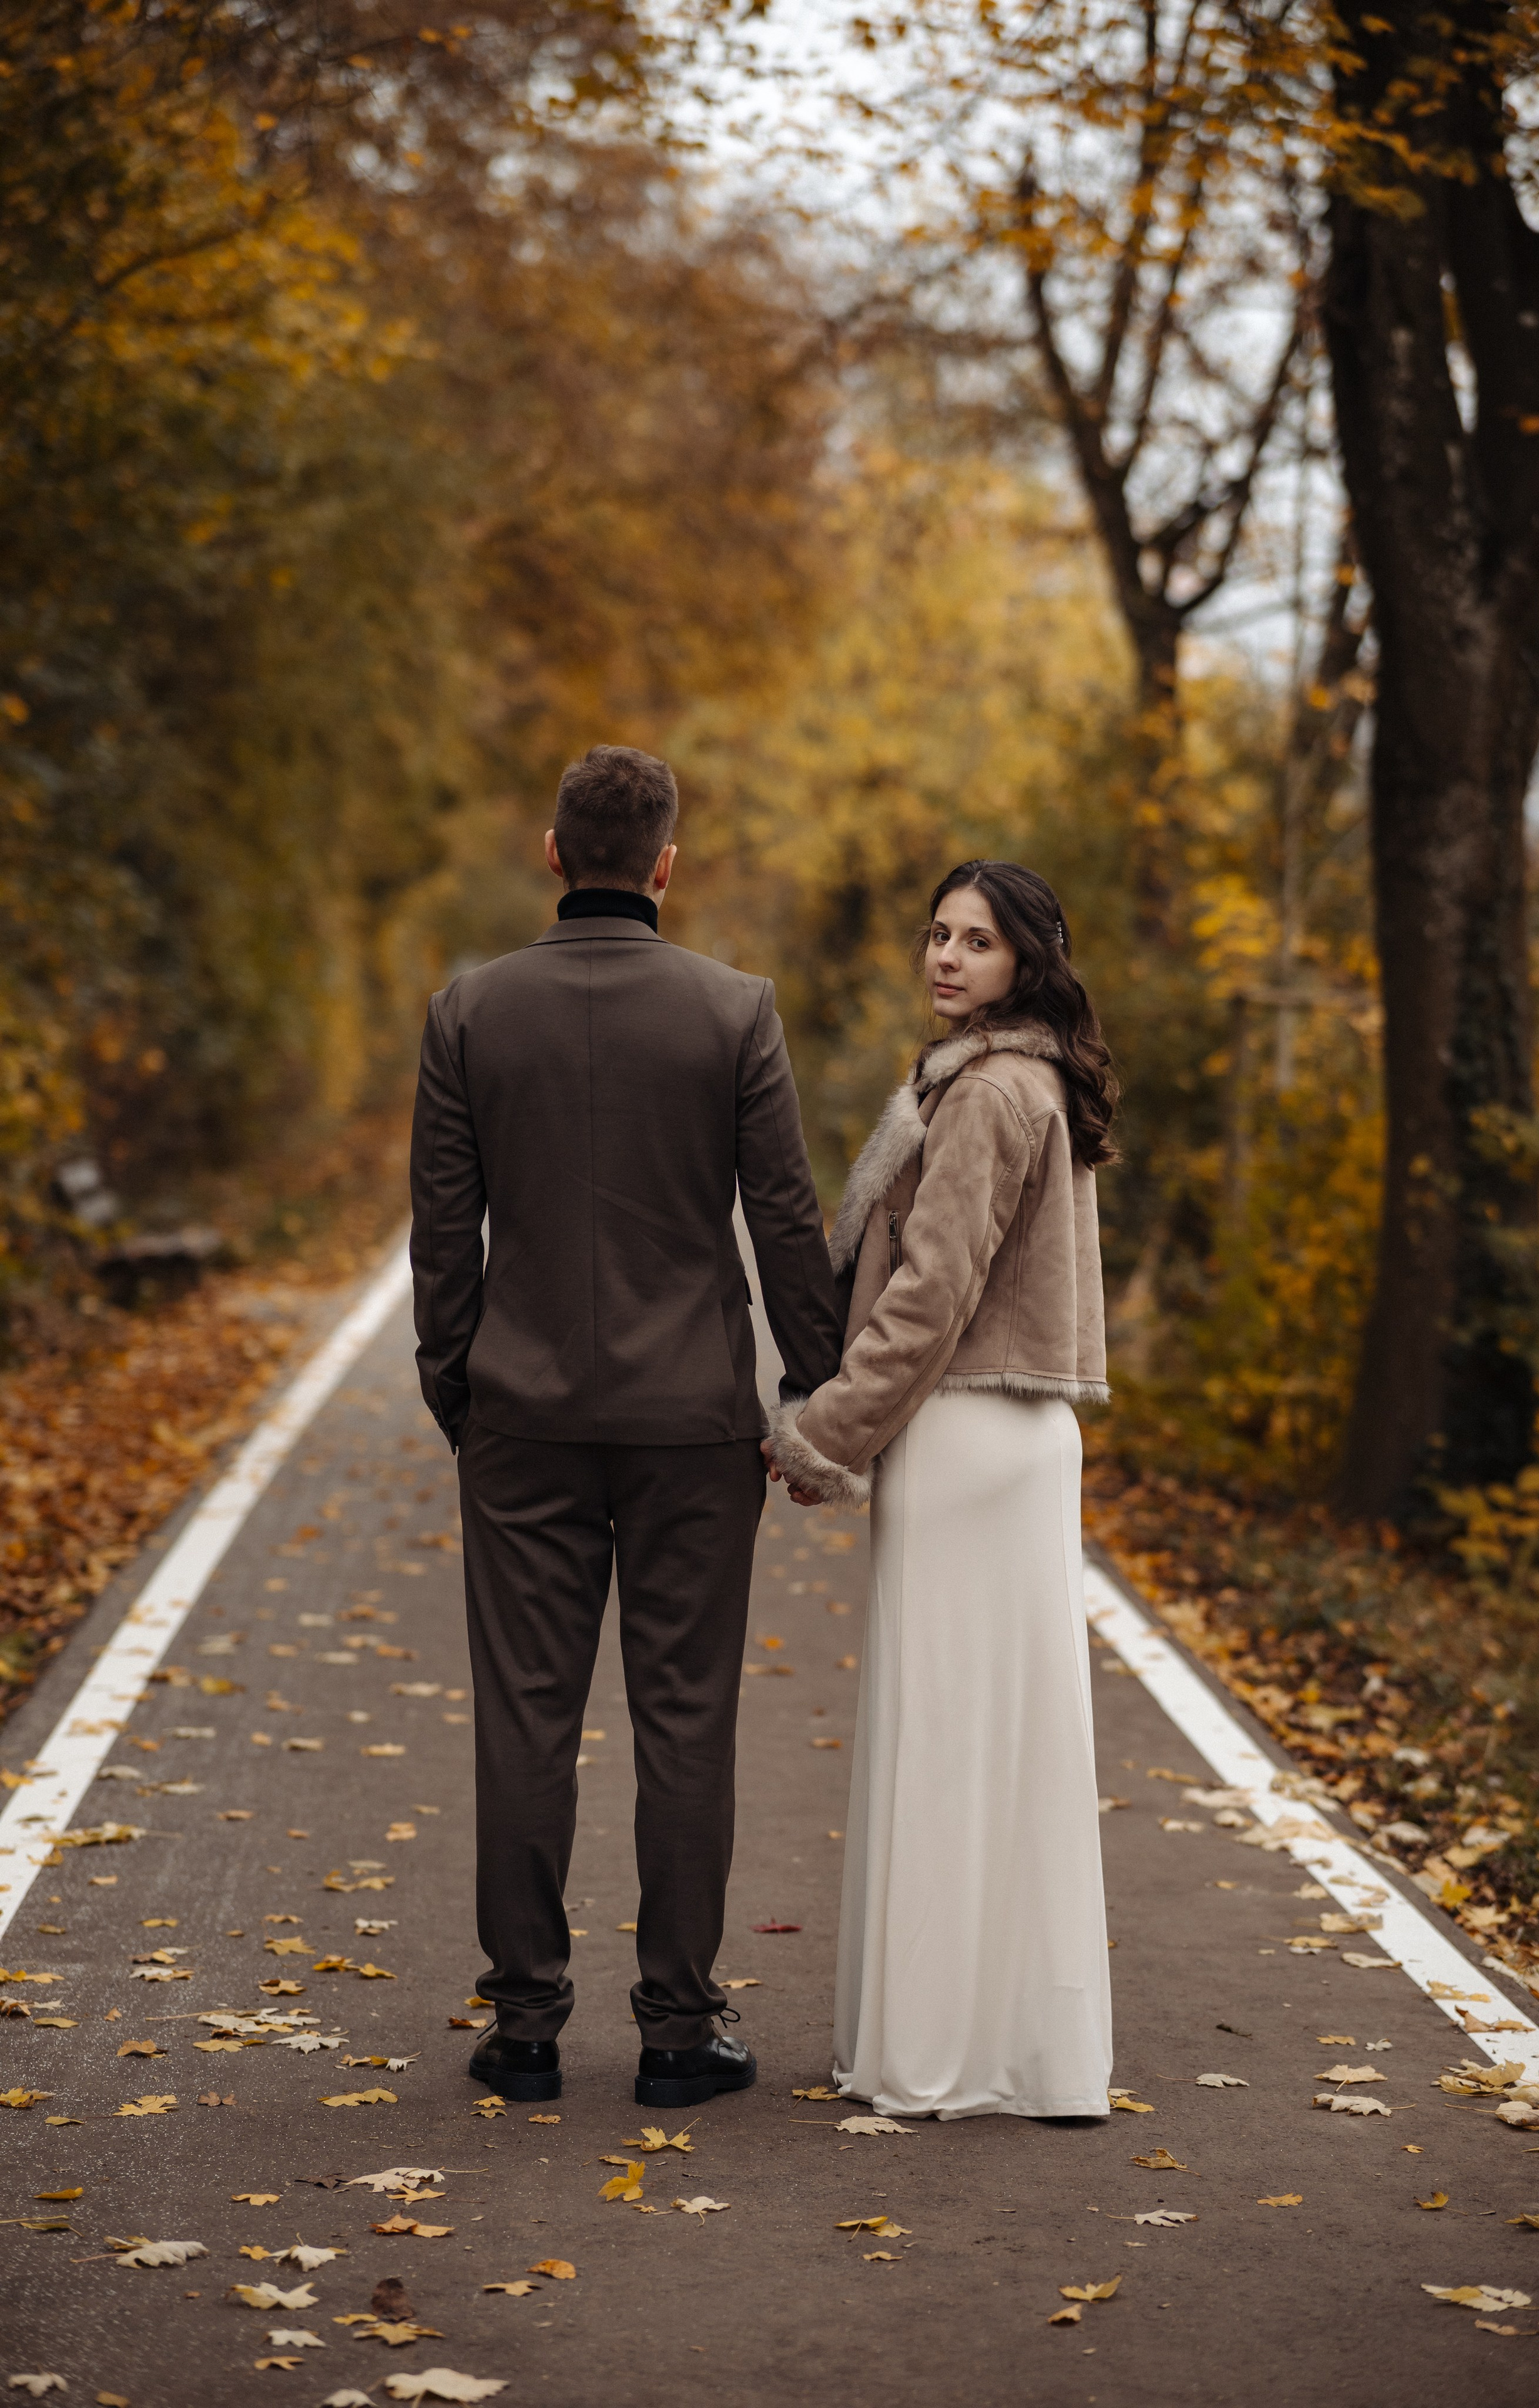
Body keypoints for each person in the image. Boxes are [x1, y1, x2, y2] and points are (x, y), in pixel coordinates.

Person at [409, 744, 841, 2110]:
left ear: (552, 854)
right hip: (691, 1426)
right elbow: (782, 1218)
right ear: (665, 864)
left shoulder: (470, 1011)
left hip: (522, 1416)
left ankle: (526, 2027)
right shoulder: (733, 1013)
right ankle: (676, 2029)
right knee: (684, 1720)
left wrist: (458, 1390)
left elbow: (443, 1232)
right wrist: (810, 1387)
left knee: (524, 1720)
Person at [763, 860, 1116, 2121]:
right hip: (1021, 1440)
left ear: (1026, 960)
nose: (946, 957)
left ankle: (936, 2057)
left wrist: (827, 1432)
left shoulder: (982, 1094)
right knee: (1007, 1750)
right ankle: (1028, 2056)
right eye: (937, 934)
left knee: (949, 1743)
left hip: (962, 1433)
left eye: (976, 940)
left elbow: (929, 1292)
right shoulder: (1041, 1083)